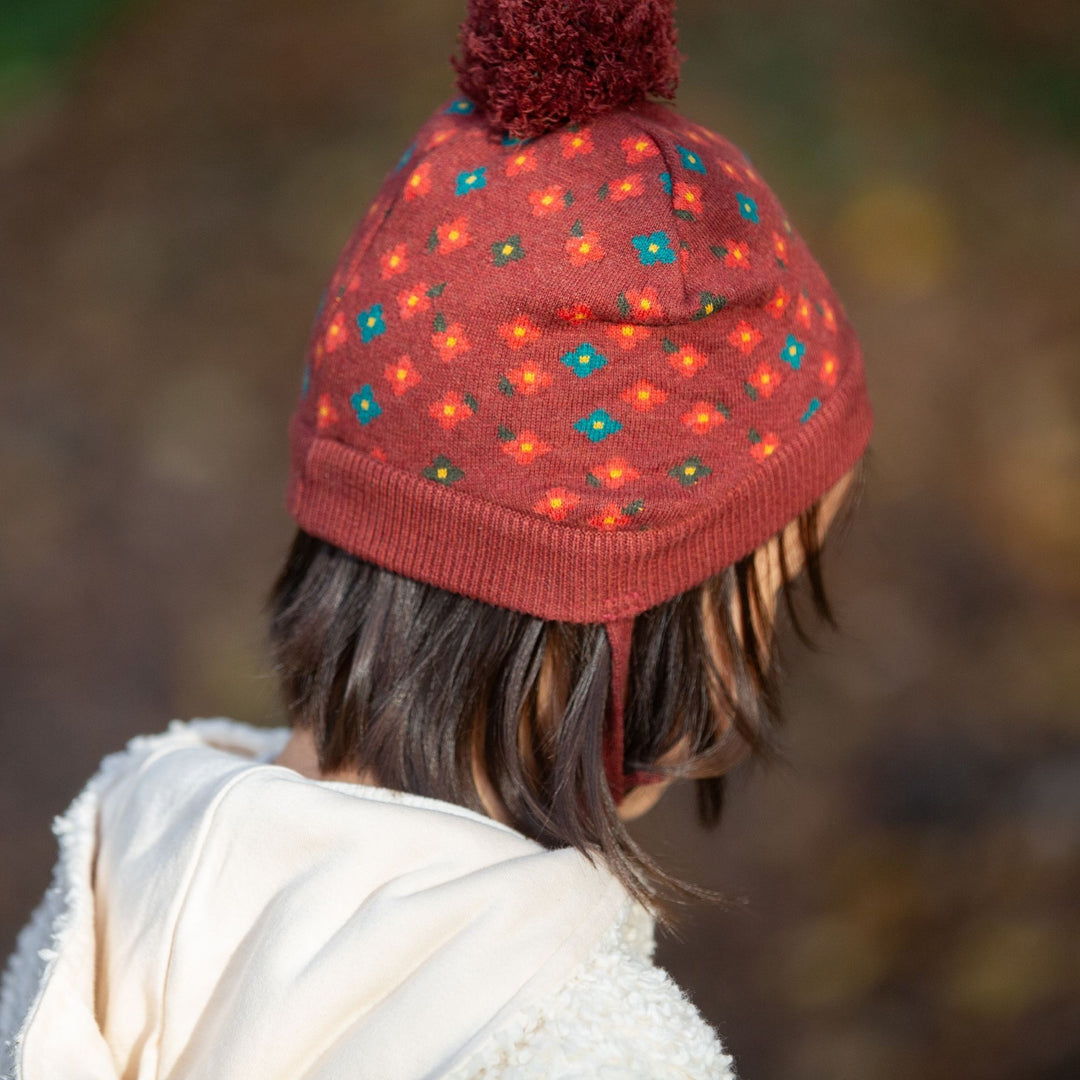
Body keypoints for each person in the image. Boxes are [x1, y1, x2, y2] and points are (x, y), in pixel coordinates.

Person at [0, 1, 875, 1076]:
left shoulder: (124, 862)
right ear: (627, 610)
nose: (758, 668)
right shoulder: (589, 1044)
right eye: (770, 603)